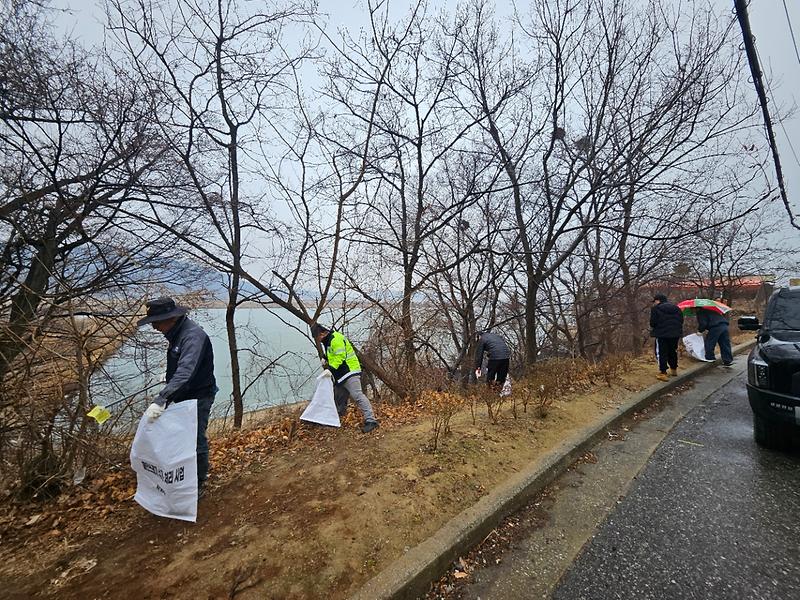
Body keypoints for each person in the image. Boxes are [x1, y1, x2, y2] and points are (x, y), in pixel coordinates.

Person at [137, 297, 217, 493]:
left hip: (199, 396)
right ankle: (184, 478)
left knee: (195, 440)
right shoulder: (177, 333)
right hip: (182, 395)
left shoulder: (192, 336)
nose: (154, 327)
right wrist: (169, 379)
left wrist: (162, 398)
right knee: (180, 439)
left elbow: (186, 371)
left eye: (156, 322)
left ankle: (197, 485)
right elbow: (180, 368)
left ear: (171, 318)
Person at [310, 323, 379, 433]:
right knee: (339, 398)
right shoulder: (327, 340)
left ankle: (371, 421)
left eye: (317, 337)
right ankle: (336, 419)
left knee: (357, 396)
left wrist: (330, 370)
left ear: (322, 333)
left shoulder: (335, 338)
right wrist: (325, 357)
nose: (317, 340)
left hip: (350, 371)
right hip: (340, 374)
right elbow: (332, 353)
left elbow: (340, 357)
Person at [649, 294, 684, 381]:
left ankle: (663, 372)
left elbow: (653, 323)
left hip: (662, 334)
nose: (654, 303)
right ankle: (674, 369)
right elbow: (681, 320)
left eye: (655, 301)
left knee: (661, 352)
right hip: (675, 333)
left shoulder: (656, 309)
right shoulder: (676, 308)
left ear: (658, 300)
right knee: (672, 350)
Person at [697, 301, 733, 366]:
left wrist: (700, 331)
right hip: (724, 325)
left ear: (696, 308)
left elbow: (703, 323)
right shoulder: (710, 310)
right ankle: (727, 360)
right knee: (725, 344)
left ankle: (710, 358)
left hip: (715, 327)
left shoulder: (700, 312)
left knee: (709, 342)